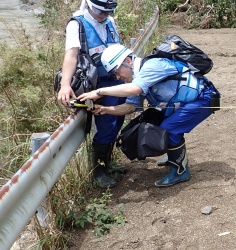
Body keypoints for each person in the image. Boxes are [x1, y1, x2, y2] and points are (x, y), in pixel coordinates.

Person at [77, 44, 221, 187]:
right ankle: (174, 157)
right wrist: (105, 109)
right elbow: (130, 107)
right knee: (159, 125)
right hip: (185, 101)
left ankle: (180, 172)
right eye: (114, 74)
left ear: (128, 61)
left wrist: (99, 92)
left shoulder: (152, 66)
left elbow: (135, 89)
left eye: (116, 71)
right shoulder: (137, 78)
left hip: (203, 98)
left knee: (169, 129)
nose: (117, 76)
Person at [57, 0, 126, 188]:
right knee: (106, 125)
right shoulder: (76, 24)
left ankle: (107, 162)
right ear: (87, 3)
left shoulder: (109, 21)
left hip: (116, 81)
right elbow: (71, 55)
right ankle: (98, 172)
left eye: (106, 11)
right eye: (99, 11)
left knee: (117, 121)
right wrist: (65, 85)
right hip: (96, 84)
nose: (102, 15)